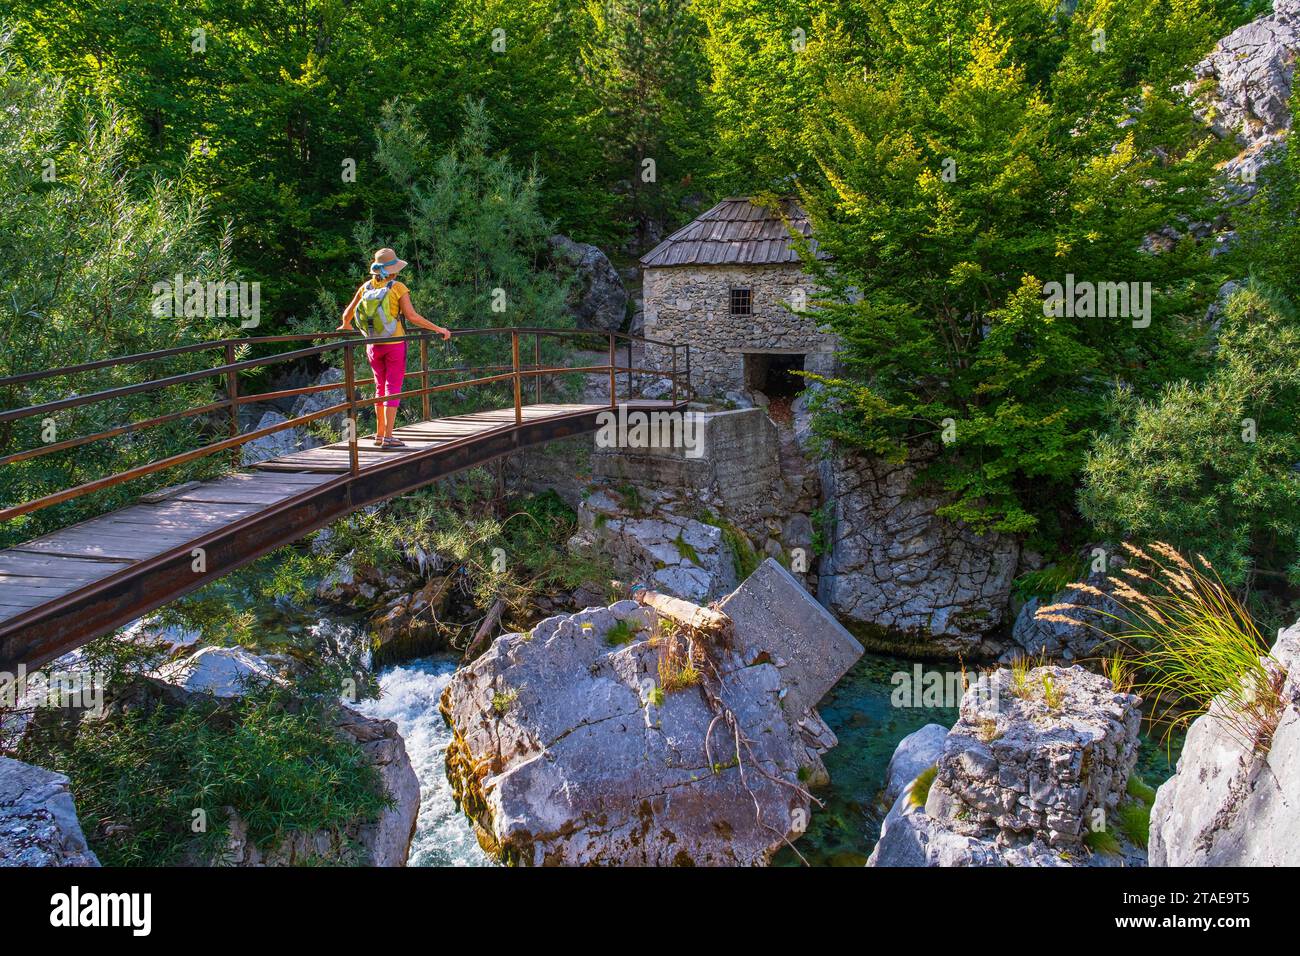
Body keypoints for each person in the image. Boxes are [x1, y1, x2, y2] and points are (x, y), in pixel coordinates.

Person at [337, 248, 451, 447]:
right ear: (393, 269)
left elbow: (348, 312)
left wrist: (346, 325)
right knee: (393, 388)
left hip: (372, 344)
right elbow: (412, 317)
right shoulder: (397, 287)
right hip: (395, 344)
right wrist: (438, 328)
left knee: (379, 388)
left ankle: (379, 434)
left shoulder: (366, 287)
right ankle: (389, 437)